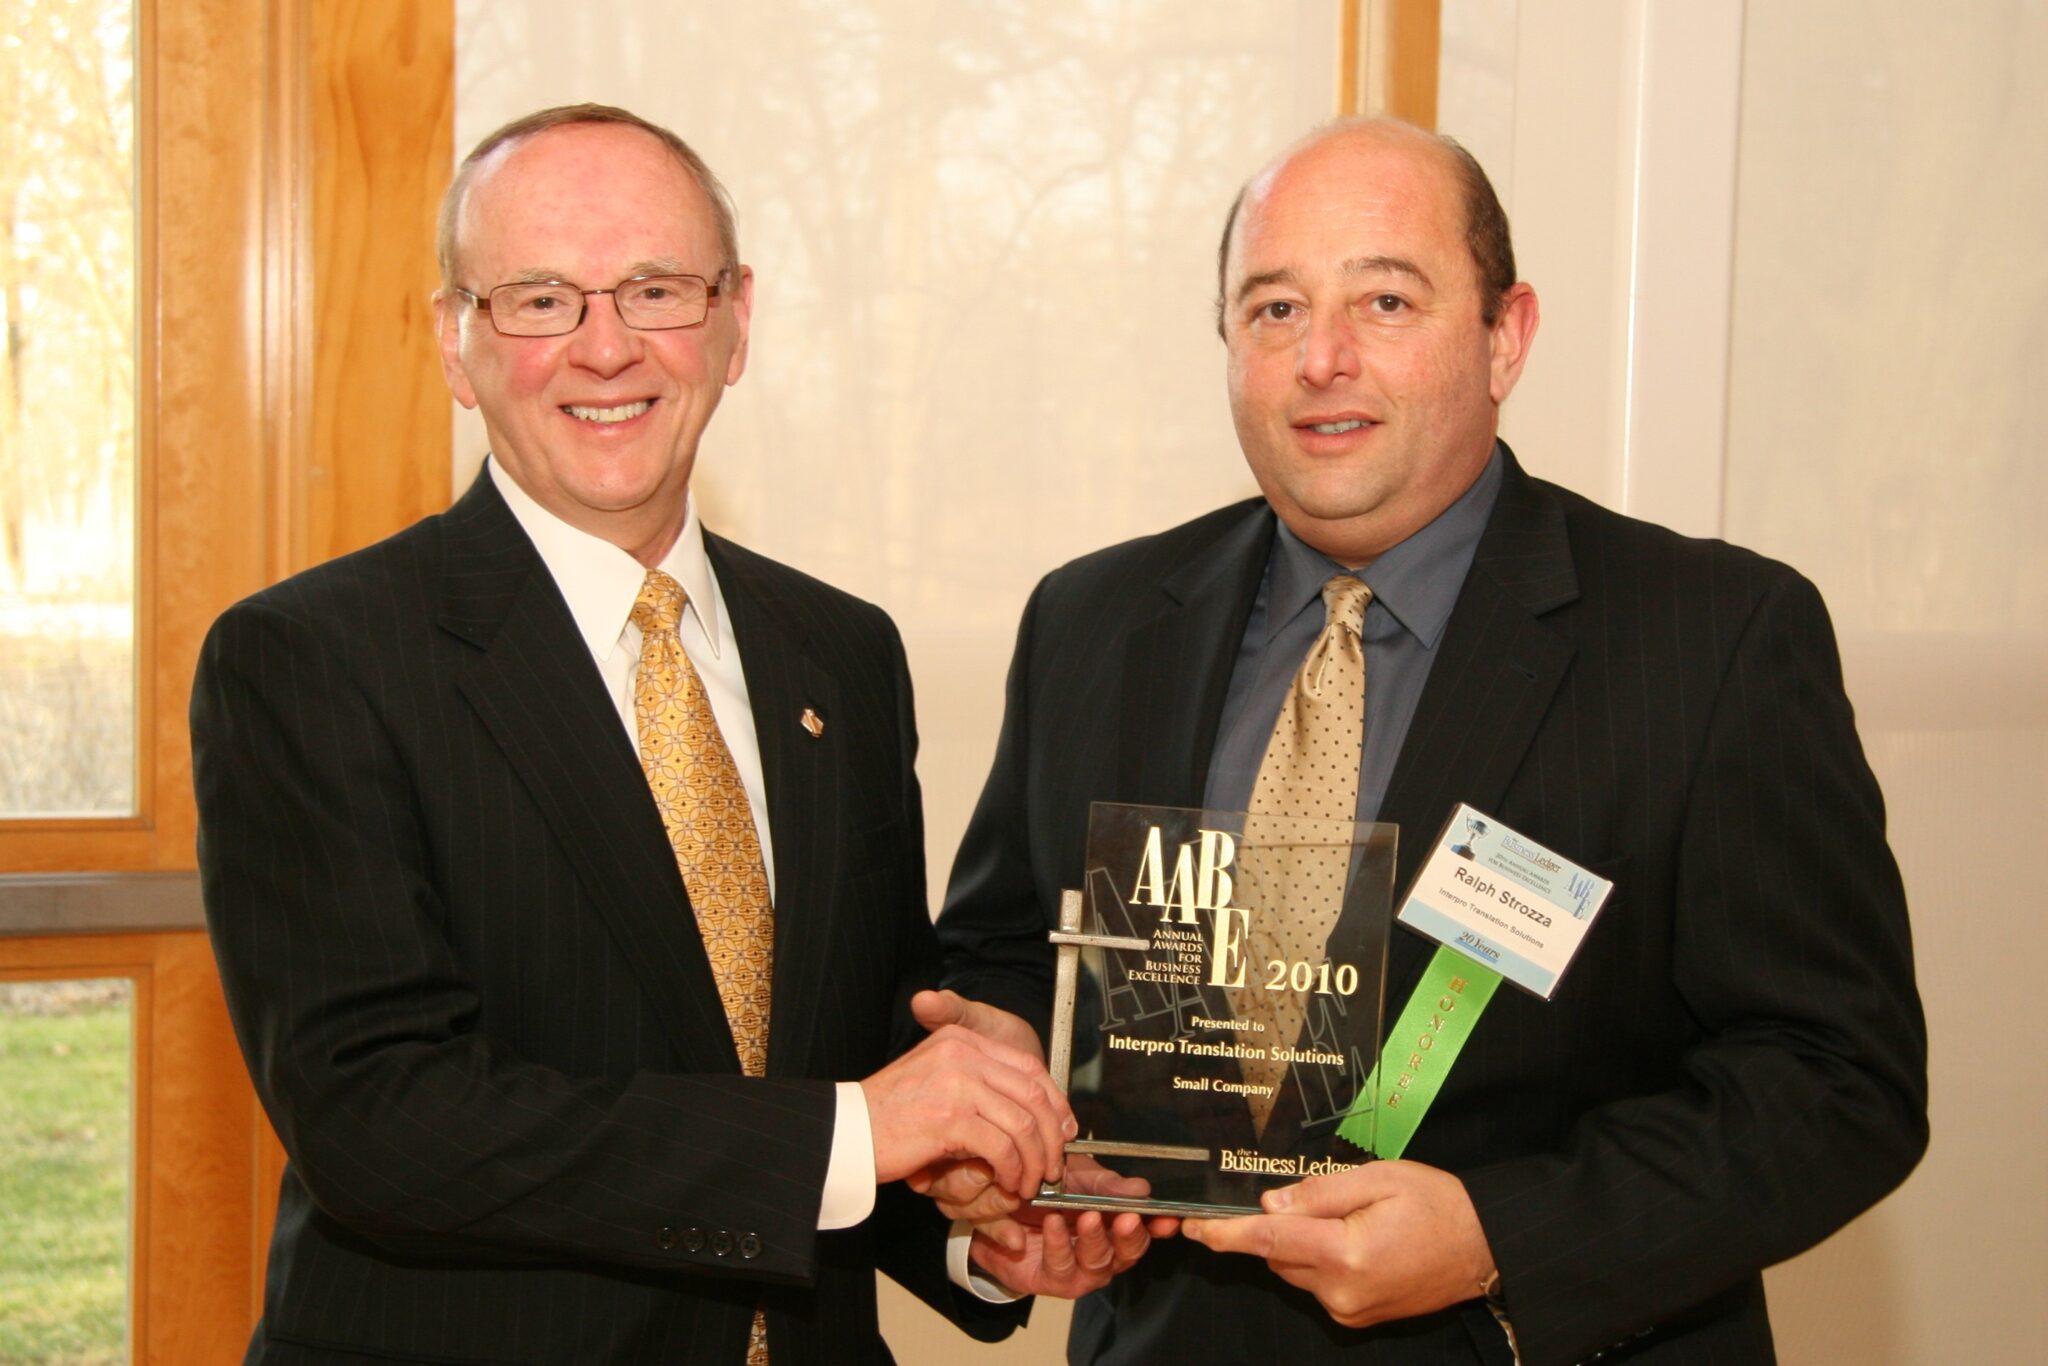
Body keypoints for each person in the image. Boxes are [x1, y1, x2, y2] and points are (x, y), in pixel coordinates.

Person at [936, 118, 1927, 1364]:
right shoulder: (1092, 619)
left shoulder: (1709, 638)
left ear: (1502, 335)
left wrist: (1497, 1236)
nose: (1322, 359)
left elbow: (1837, 1081)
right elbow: (1010, 952)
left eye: (1385, 300)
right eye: (1274, 309)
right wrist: (1007, 1100)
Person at [192, 103, 1080, 1365]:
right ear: (457, 343)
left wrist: (973, 1214)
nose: (605, 347)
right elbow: (379, 1119)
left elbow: (842, 1059)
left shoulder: (842, 653)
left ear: (733, 323)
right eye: (540, 299)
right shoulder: (312, 659)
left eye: (656, 289)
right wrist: (860, 1132)